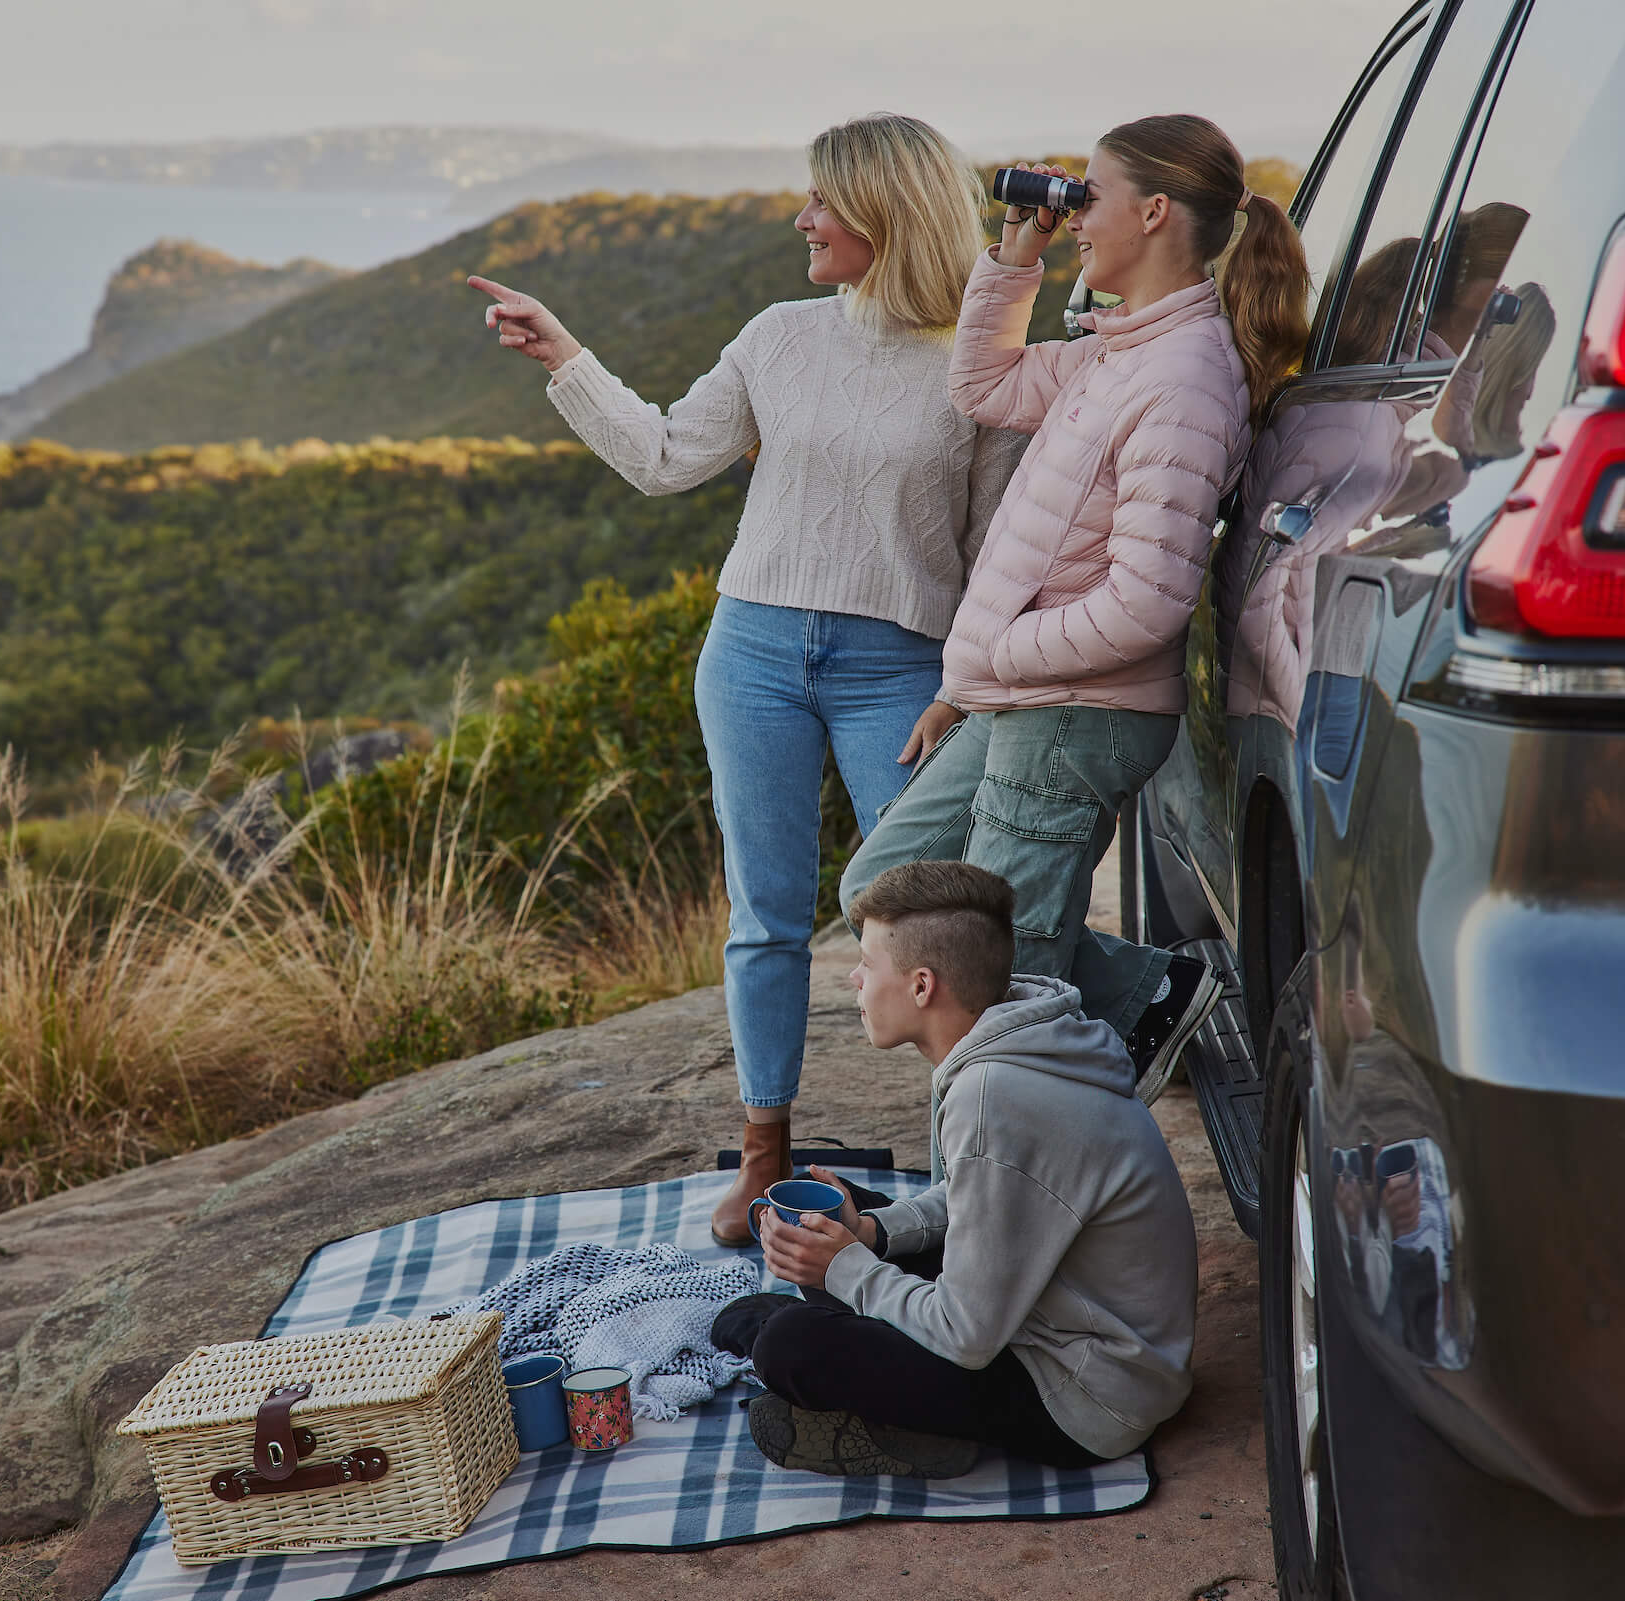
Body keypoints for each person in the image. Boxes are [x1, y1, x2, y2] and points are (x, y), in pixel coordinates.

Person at [469, 114, 1025, 1246]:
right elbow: (668, 456)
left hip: (903, 667)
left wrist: (963, 684)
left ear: (887, 212)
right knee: (765, 913)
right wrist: (563, 355)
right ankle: (766, 1156)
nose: (802, 219)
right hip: (756, 649)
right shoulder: (779, 335)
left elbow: (999, 549)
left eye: (822, 201)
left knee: (930, 921)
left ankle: (965, 1168)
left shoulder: (980, 367)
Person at [840, 114, 1314, 1091]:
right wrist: (1017, 261)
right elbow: (982, 385)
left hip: (1075, 712)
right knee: (884, 892)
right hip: (1029, 696)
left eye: (1085, 197)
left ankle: (1013, 1203)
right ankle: (1148, 995)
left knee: (1002, 983)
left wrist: (991, 658)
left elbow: (1146, 603)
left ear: (1152, 211)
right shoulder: (1119, 350)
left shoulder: (1181, 378)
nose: (1073, 216)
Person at [715, 860, 1197, 1477]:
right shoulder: (1023, 1038)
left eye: (867, 964)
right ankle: (868, 1359)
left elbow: (966, 1335)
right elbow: (984, 1194)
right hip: (1050, 1313)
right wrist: (872, 1234)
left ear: (922, 986)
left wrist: (846, 1269)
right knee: (837, 1214)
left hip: (1087, 1397)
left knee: (789, 1345)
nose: (855, 981)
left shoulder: (997, 1095)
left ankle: (914, 1428)